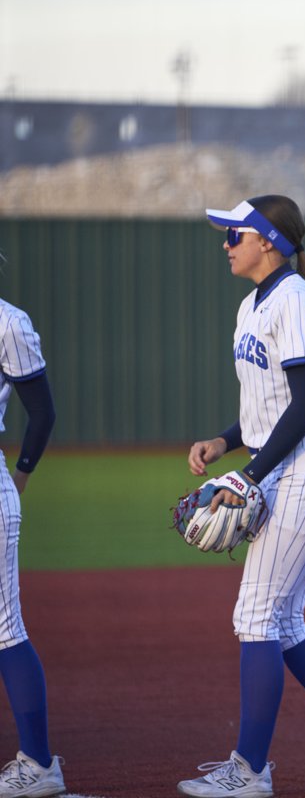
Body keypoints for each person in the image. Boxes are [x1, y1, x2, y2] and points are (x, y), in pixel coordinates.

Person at [178, 195, 305, 797]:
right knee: (284, 623)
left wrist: (249, 475)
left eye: (234, 235)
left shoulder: (293, 299)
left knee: (255, 618)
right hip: (290, 465)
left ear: (267, 241)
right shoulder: (254, 304)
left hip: (304, 469)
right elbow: (270, 407)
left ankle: (249, 770)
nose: (226, 244)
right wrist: (224, 441)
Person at [0, 297, 62, 798]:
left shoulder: (9, 322)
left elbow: (41, 412)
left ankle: (38, 763)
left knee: (4, 627)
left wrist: (19, 475)